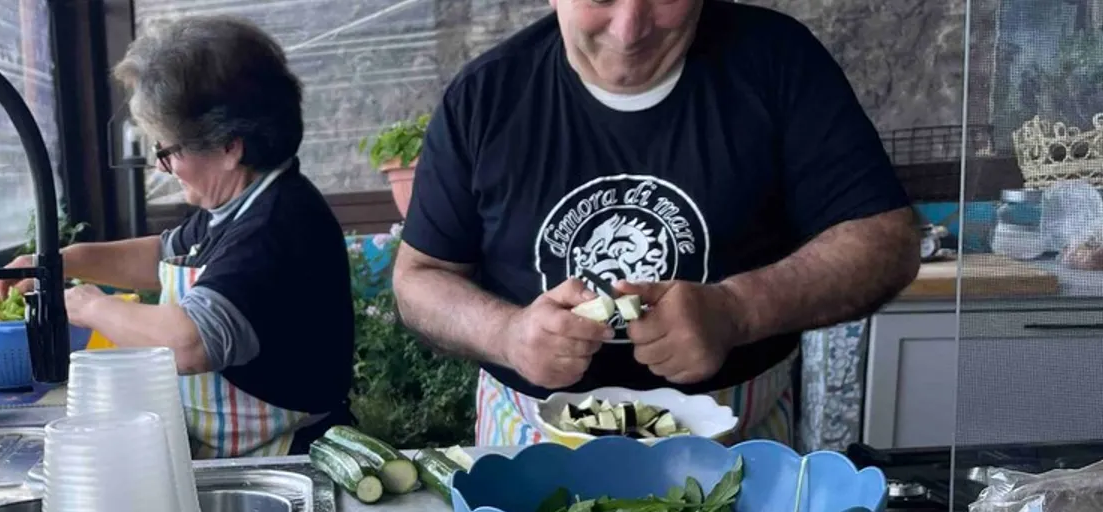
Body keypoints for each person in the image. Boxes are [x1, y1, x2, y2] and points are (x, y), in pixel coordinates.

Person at [392, 0, 921, 447]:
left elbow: (886, 240)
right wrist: (507, 334)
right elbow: (420, 277)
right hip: (531, 439)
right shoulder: (483, 96)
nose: (630, 30)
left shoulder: (779, 61)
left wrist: (737, 310)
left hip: (737, 441)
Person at [1, 16, 355, 459]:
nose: (161, 167)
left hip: (288, 457)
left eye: (167, 151)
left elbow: (191, 343)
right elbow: (161, 258)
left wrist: (89, 306)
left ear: (230, 146)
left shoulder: (276, 227)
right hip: (236, 451)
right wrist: (59, 262)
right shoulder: (237, 205)